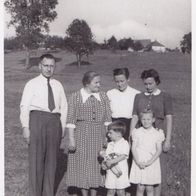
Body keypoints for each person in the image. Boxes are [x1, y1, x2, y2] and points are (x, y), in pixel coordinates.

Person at [20, 53, 68, 196]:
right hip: (37, 121)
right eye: (46, 66)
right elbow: (24, 106)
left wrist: (62, 127)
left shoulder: (58, 85)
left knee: (52, 161)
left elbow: (64, 107)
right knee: (36, 160)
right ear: (40, 66)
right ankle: (35, 193)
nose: (48, 69)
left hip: (54, 122)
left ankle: (48, 192)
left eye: (51, 66)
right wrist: (25, 127)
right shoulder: (32, 84)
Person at [66, 71, 112, 196]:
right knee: (83, 166)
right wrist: (71, 139)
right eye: (96, 82)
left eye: (99, 82)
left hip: (99, 135)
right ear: (87, 83)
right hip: (81, 135)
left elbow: (108, 120)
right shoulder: (75, 96)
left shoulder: (103, 97)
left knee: (96, 166)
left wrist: (108, 137)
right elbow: (70, 120)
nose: (99, 85)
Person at [130, 69, 173, 196]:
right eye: (146, 84)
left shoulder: (165, 96)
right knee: (141, 171)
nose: (148, 87)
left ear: (157, 82)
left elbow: (169, 117)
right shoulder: (138, 96)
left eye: (151, 84)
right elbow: (135, 116)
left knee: (156, 171)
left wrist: (168, 140)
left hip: (157, 137)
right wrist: (131, 136)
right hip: (141, 137)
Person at [129, 110, 165, 196]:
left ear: (153, 120)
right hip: (139, 161)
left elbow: (159, 150)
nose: (146, 121)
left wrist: (149, 162)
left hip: (152, 162)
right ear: (140, 120)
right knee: (140, 187)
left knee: (149, 188)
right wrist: (138, 161)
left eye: (148, 119)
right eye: (143, 119)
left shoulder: (158, 133)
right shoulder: (137, 132)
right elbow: (133, 148)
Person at [107, 68, 140, 141]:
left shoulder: (136, 94)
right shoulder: (110, 93)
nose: (119, 84)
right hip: (114, 126)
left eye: (122, 81)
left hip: (129, 126)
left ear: (128, 79)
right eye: (117, 82)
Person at [104, 120, 130, 196]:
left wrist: (112, 161)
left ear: (118, 134)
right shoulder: (110, 144)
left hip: (121, 171)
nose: (108, 135)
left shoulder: (124, 143)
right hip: (110, 171)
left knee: (120, 191)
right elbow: (107, 156)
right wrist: (104, 163)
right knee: (110, 191)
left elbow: (123, 156)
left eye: (110, 133)